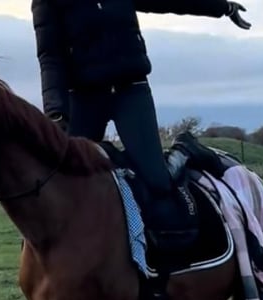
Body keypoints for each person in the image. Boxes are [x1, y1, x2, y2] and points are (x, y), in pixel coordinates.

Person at [31, 0, 251, 252]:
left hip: (130, 91)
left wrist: (223, 7)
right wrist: (55, 113)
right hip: (83, 97)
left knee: (158, 181)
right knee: (63, 181)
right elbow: (50, 56)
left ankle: (184, 150)